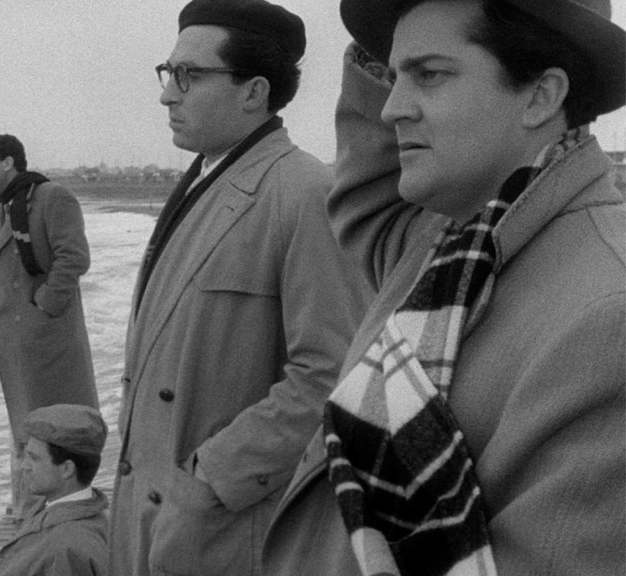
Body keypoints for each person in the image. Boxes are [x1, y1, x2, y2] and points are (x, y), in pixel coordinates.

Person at [262, 1, 625, 575]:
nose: (390, 112)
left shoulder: (610, 317)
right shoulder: (451, 243)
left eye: (430, 74)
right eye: (393, 75)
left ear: (540, 96)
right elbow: (367, 198)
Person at [108, 1, 371, 574]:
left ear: (254, 92)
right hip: (154, 512)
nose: (167, 94)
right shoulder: (205, 177)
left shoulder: (302, 192)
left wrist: (211, 478)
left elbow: (332, 373)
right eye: (168, 72)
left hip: (219, 525)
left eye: (189, 76)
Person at [0, 134, 100, 519]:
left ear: (9, 163)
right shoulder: (10, 205)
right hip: (21, 342)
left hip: (47, 342)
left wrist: (43, 306)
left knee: (52, 434)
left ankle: (42, 520)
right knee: (31, 433)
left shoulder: (50, 197)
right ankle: (30, 514)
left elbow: (74, 257)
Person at [0, 404, 110, 576]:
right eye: (26, 455)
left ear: (67, 469)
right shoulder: (63, 512)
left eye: (34, 458)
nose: (23, 466)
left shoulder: (67, 548)